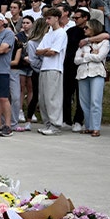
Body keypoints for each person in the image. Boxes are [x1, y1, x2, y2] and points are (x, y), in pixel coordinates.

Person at [34, 7, 68, 135]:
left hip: (55, 68)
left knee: (52, 98)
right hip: (44, 68)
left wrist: (46, 51)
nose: (47, 21)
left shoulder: (61, 33)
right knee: (43, 98)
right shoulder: (48, 34)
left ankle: (55, 125)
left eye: (49, 18)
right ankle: (47, 124)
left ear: (56, 18)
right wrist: (45, 50)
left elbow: (53, 52)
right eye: (46, 18)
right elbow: (38, 51)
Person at [75, 19, 110, 137]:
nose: (84, 30)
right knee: (84, 101)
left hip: (97, 72)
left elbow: (100, 57)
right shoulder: (83, 43)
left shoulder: (104, 43)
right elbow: (76, 60)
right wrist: (91, 55)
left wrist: (85, 56)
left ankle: (96, 127)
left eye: (87, 28)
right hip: (83, 73)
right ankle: (88, 126)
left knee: (95, 100)